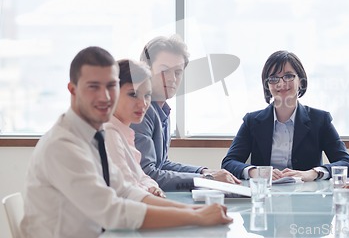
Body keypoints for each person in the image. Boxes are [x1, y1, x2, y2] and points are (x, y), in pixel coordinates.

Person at [21, 46, 232, 238]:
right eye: (93, 87)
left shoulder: (94, 136)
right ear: (73, 90)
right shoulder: (63, 145)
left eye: (111, 86)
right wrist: (197, 217)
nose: (105, 97)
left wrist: (196, 210)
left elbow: (125, 190)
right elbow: (113, 212)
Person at [222, 50, 349, 182]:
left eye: (289, 76)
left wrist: (313, 173)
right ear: (267, 85)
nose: (281, 83)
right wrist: (256, 172)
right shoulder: (251, 121)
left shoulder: (320, 120)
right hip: (264, 195)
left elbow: (347, 164)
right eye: (273, 78)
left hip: (306, 196)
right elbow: (228, 163)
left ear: (301, 82)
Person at [131, 35, 240, 191]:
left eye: (177, 72)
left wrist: (203, 171)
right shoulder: (140, 111)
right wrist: (206, 179)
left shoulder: (162, 110)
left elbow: (162, 164)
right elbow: (148, 174)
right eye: (164, 70)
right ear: (146, 70)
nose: (171, 79)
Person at [104, 59, 164, 197]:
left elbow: (142, 177)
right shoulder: (109, 133)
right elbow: (127, 189)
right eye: (133, 94)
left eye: (147, 95)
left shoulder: (124, 133)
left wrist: (152, 187)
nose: (143, 103)